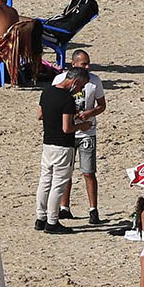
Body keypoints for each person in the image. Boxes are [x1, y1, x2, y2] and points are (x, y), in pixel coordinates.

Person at [54, 49, 105, 226]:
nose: (88, 66)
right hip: (67, 131)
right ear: (74, 64)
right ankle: (64, 207)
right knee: (65, 171)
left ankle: (93, 209)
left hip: (86, 132)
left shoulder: (94, 81)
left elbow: (102, 105)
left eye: (88, 63)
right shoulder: (60, 80)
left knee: (88, 172)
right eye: (84, 63)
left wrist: (91, 112)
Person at [15, 0, 99, 85]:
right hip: (52, 28)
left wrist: (46, 25)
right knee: (21, 21)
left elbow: (69, 26)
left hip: (57, 33)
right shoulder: (77, 3)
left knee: (19, 23)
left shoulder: (87, 6)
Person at [35, 67, 84, 233]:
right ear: (75, 81)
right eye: (80, 86)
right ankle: (52, 221)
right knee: (58, 184)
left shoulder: (47, 92)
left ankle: (40, 217)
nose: (80, 90)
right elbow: (67, 128)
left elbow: (40, 115)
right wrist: (82, 125)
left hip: (47, 143)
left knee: (45, 180)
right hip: (63, 146)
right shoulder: (67, 99)